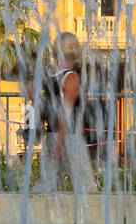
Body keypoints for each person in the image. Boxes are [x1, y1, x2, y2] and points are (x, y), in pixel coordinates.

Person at [38, 32, 97, 194]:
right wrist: (61, 140)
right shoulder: (71, 78)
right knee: (88, 189)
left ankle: (30, 216)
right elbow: (66, 111)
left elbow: (38, 100)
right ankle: (88, 219)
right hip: (69, 138)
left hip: (51, 136)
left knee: (45, 187)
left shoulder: (49, 75)